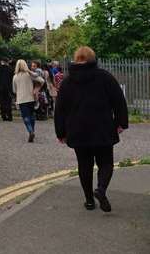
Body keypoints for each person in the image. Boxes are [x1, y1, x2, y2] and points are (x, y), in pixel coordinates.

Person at [54, 46, 128, 212]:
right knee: (106, 162)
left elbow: (60, 109)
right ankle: (101, 189)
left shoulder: (67, 81)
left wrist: (61, 132)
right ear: (93, 58)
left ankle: (89, 200)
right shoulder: (105, 77)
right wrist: (121, 122)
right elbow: (118, 101)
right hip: (103, 127)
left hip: (78, 130)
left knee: (84, 165)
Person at [13, 59, 43, 142]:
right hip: (31, 98)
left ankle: (30, 131)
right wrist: (37, 88)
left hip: (21, 99)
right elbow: (41, 80)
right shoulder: (29, 74)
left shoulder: (15, 77)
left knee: (25, 116)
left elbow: (14, 90)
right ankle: (32, 131)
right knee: (31, 115)